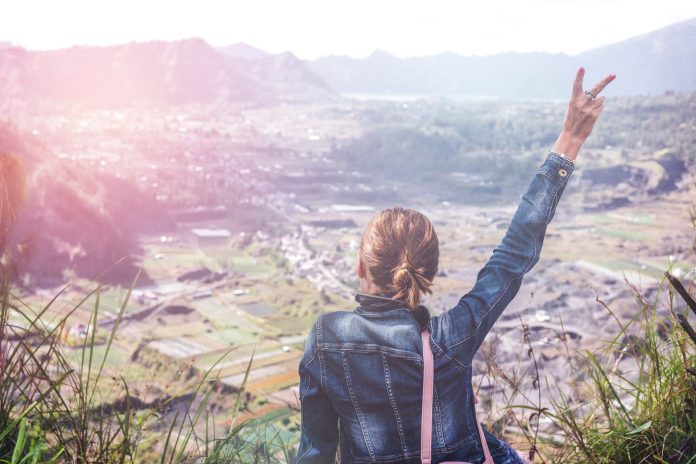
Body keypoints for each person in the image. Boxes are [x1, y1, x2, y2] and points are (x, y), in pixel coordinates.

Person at [295, 67, 616, 464]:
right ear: (428, 273)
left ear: (362, 268)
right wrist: (570, 139)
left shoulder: (326, 339)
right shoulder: (452, 338)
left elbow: (316, 453)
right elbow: (513, 256)